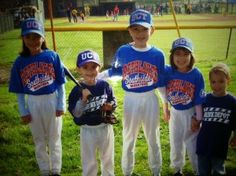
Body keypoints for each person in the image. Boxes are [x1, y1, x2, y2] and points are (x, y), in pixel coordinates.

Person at [98, 9, 166, 176]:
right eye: (135, 29)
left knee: (153, 137)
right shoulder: (123, 51)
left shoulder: (158, 54)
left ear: (152, 30)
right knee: (129, 137)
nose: (140, 33)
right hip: (131, 99)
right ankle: (127, 171)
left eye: (144, 29)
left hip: (150, 97)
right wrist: (96, 78)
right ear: (129, 31)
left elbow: (161, 82)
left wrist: (165, 103)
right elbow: (116, 72)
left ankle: (156, 171)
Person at [8, 18, 66, 176]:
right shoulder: (19, 62)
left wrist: (61, 104)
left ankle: (55, 170)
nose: (33, 41)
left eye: (36, 36)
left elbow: (61, 83)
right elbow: (19, 91)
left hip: (51, 100)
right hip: (33, 102)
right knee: (39, 138)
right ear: (23, 39)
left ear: (43, 37)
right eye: (28, 37)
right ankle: (44, 170)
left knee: (54, 137)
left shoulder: (52, 56)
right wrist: (23, 110)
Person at [68, 50, 117, 176]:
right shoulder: (76, 91)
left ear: (99, 68)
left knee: (107, 158)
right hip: (87, 130)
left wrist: (110, 106)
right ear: (79, 70)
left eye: (94, 66)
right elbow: (77, 114)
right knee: (89, 160)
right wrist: (83, 100)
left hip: (105, 127)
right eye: (85, 67)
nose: (90, 71)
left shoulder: (104, 85)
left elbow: (113, 100)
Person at [163, 37, 205, 176]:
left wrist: (198, 118)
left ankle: (198, 169)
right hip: (175, 112)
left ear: (191, 56)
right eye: (177, 54)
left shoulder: (196, 74)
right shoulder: (168, 71)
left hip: (190, 113)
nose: (181, 58)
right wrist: (166, 108)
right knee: (175, 141)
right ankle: (177, 169)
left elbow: (199, 99)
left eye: (185, 54)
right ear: (172, 56)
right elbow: (161, 88)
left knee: (193, 143)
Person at [196, 63, 236, 176]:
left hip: (220, 145)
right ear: (210, 82)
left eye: (221, 81)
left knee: (218, 170)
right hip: (203, 144)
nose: (217, 85)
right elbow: (198, 115)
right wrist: (195, 121)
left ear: (228, 80)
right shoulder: (206, 99)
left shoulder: (232, 102)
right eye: (213, 82)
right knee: (202, 171)